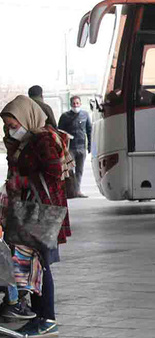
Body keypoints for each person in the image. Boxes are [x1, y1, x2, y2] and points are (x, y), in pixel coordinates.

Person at [1, 95, 71, 336]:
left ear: (26, 118)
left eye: (13, 125)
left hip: (43, 210)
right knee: (30, 263)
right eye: (8, 126)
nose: (11, 130)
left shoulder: (42, 139)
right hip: (31, 209)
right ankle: (39, 316)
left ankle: (47, 318)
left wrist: (22, 179)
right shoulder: (28, 140)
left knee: (39, 264)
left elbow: (53, 170)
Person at [58, 96, 92, 199]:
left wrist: (90, 146)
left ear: (80, 104)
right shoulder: (65, 116)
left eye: (77, 103)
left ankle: (77, 191)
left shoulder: (85, 115)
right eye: (73, 103)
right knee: (69, 170)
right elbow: (59, 132)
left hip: (81, 148)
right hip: (70, 148)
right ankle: (70, 192)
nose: (75, 105)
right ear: (70, 104)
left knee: (79, 171)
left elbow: (89, 131)